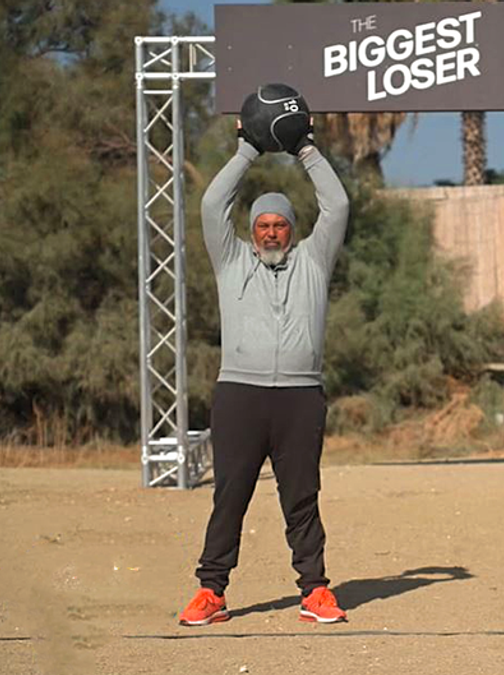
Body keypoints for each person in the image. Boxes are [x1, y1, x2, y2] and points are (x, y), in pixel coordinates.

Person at [177, 119, 350, 626]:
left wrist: (305, 149)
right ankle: (211, 592)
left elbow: (336, 205)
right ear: (250, 232)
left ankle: (314, 591)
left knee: (301, 496)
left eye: (280, 225)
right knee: (230, 494)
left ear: (292, 231)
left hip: (300, 398)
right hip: (240, 395)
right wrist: (247, 150)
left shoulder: (314, 261)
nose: (272, 232)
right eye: (263, 225)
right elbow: (212, 205)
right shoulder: (230, 262)